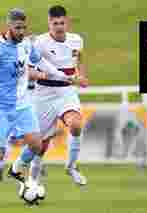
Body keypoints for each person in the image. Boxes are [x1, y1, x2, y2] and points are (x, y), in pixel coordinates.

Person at [0, 8, 70, 207]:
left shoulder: (26, 44)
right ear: (8, 27)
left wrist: (61, 75)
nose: (21, 32)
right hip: (0, 108)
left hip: (22, 105)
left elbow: (40, 61)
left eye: (24, 28)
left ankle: (16, 169)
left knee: (37, 144)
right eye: (17, 28)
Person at [28, 5, 89, 186]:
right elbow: (28, 70)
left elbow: (80, 60)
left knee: (76, 124)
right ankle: (32, 180)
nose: (59, 27)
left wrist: (81, 76)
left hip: (65, 91)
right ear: (49, 23)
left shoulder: (77, 40)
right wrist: (43, 75)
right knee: (40, 145)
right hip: (44, 94)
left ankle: (71, 166)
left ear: (67, 22)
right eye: (55, 23)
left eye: (62, 23)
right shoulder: (39, 43)